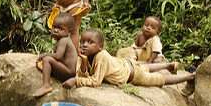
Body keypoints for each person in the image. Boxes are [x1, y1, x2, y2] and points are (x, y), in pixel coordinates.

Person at [62, 29, 195, 89]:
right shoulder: (84, 55)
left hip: (132, 74)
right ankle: (167, 65)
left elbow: (96, 81)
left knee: (160, 80)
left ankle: (189, 77)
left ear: (100, 47)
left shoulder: (101, 56)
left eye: (90, 42)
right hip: (125, 63)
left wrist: (76, 80)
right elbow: (82, 73)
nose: (85, 45)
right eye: (83, 41)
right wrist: (84, 61)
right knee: (146, 67)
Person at [33, 13, 77, 97]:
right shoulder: (62, 39)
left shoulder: (64, 40)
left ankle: (46, 86)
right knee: (47, 61)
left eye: (60, 28)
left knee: (47, 59)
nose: (56, 30)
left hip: (69, 72)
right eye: (54, 27)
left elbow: (58, 56)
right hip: (67, 70)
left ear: (69, 31)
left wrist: (45, 55)